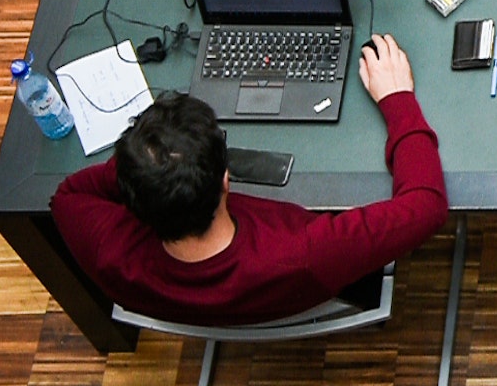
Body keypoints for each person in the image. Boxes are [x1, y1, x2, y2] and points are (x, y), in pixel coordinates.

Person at [50, 35, 447, 326]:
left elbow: (68, 193)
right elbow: (426, 205)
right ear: (225, 180)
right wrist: (398, 98)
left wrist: (149, 165)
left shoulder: (108, 250)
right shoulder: (307, 253)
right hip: (324, 293)